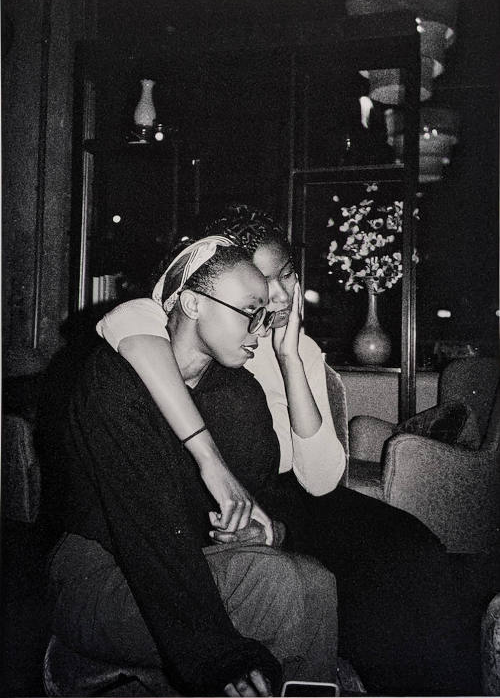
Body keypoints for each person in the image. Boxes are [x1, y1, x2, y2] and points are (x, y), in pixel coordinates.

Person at [97, 204, 499, 696]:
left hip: (294, 493)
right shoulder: (171, 323)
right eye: (267, 280)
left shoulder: (299, 348)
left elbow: (321, 479)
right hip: (227, 494)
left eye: (288, 274)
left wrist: (289, 357)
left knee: (408, 545)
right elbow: (126, 325)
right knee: (354, 583)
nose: (284, 293)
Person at [48, 237, 339, 697]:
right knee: (278, 586)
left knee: (317, 583)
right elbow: (149, 532)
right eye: (249, 311)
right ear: (193, 304)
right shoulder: (114, 383)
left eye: (265, 315)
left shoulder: (239, 394)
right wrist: (219, 657)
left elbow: (274, 505)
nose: (260, 330)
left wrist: (264, 534)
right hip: (97, 579)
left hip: (190, 566)